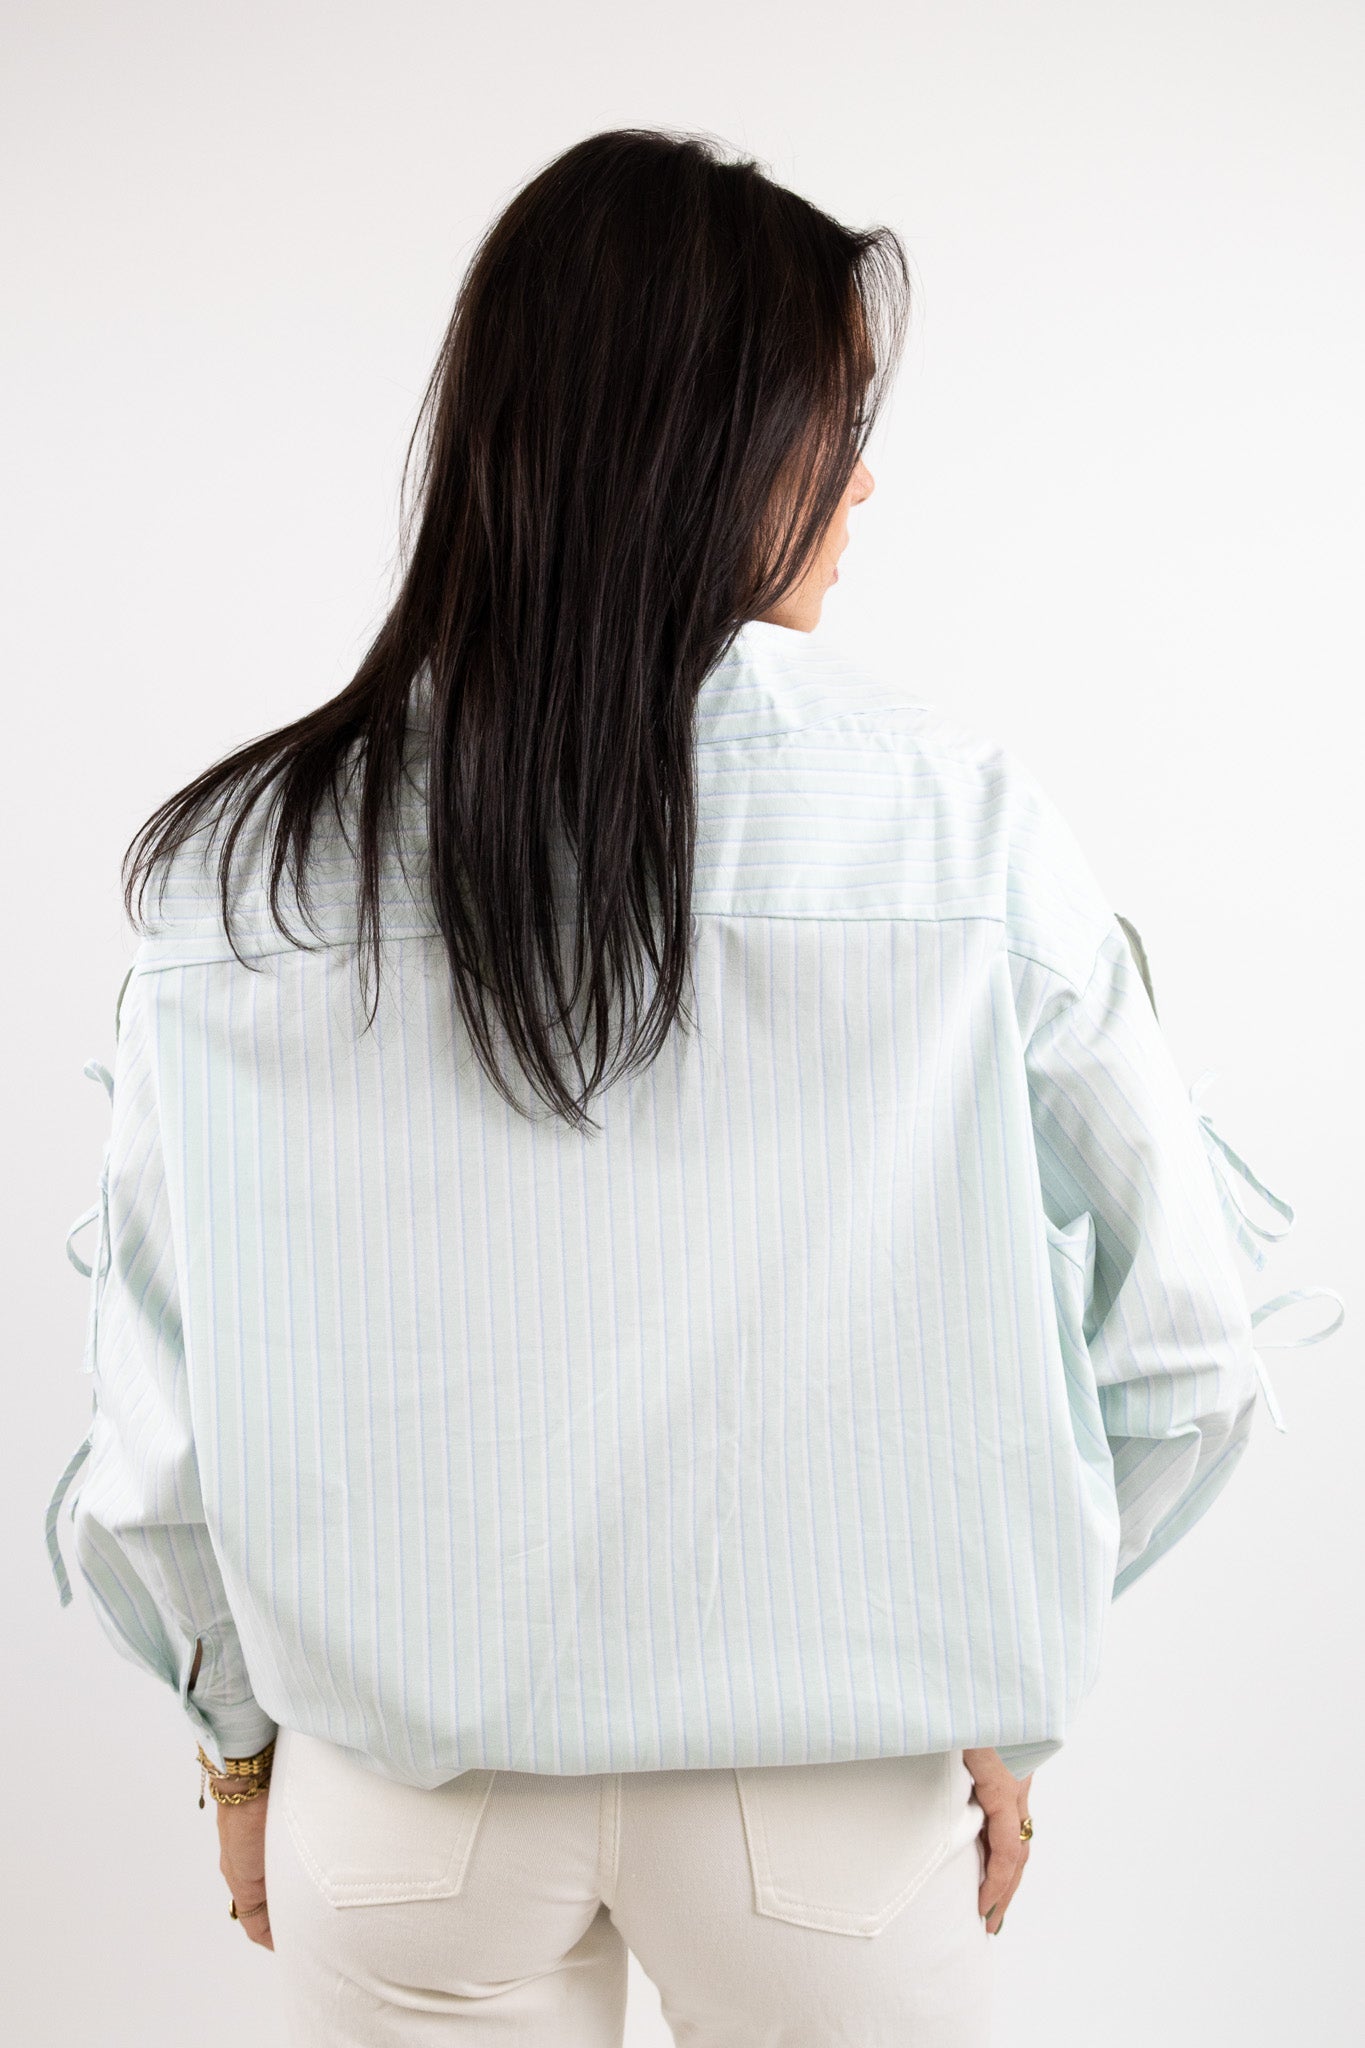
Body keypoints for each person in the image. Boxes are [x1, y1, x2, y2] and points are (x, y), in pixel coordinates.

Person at [43, 126, 1331, 2046]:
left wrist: (234, 1749)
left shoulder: (243, 873)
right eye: (836, 425)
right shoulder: (960, 835)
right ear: (701, 440)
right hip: (826, 1809)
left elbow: (157, 1431)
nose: (864, 479)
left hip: (402, 1808)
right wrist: (991, 1668)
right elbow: (1187, 1355)